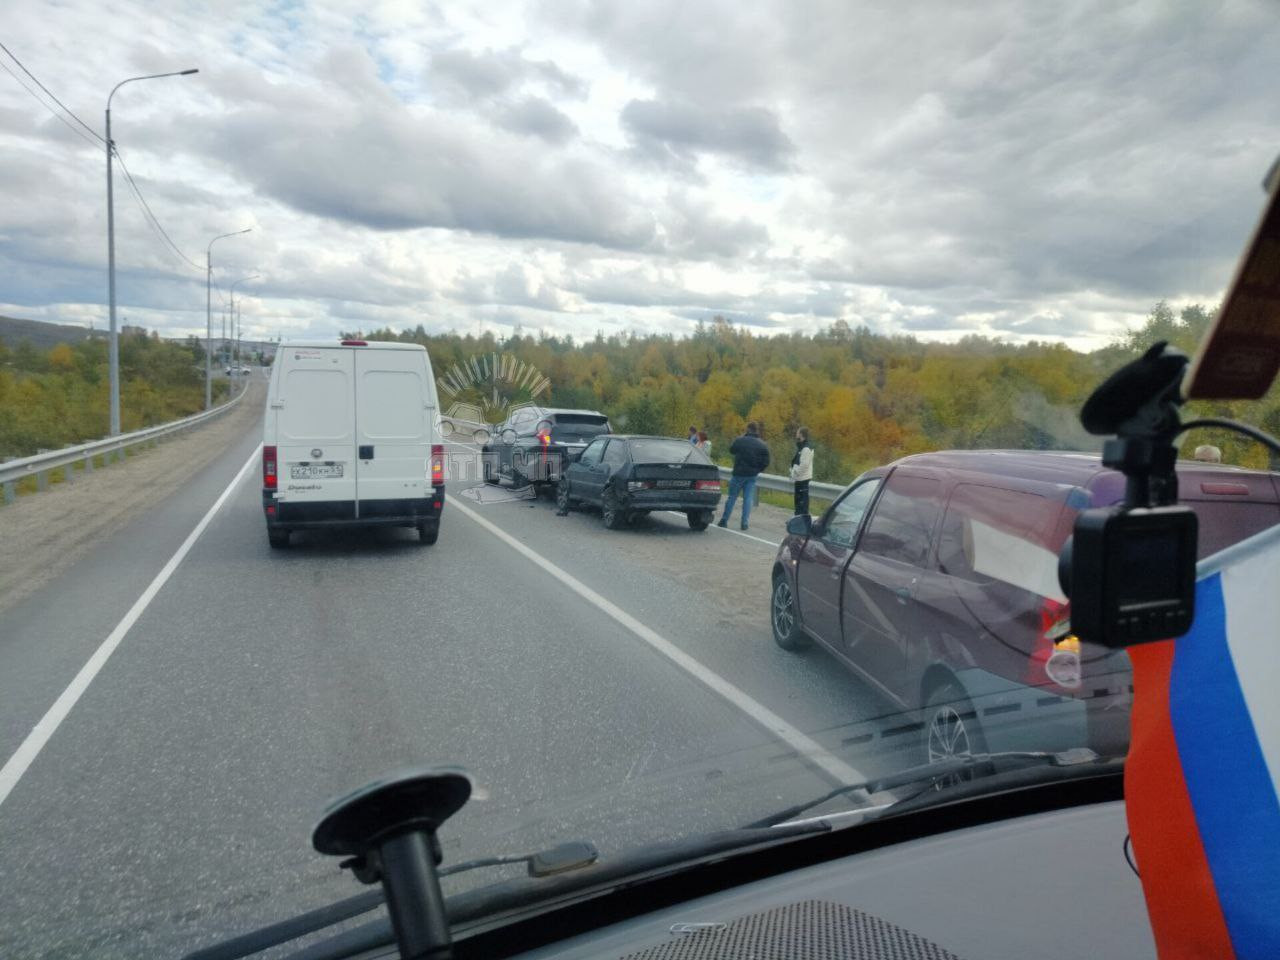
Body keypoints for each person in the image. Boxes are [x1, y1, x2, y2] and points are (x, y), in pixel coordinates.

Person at [718, 421, 770, 530]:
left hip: (738, 473)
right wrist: (757, 470)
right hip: (752, 475)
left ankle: (724, 519)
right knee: (748, 499)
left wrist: (741, 438)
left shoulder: (740, 440)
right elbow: (766, 461)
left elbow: (731, 450)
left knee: (732, 497)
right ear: (756, 431)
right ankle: (744, 523)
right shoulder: (762, 444)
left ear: (748, 429)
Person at [789, 426, 813, 515]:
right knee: (798, 502)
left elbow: (804, 466)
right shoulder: (801, 447)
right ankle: (797, 519)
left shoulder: (806, 448)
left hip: (803, 480)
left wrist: (794, 471)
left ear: (801, 434)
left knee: (802, 504)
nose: (796, 434)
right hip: (799, 479)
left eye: (797, 432)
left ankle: (801, 522)